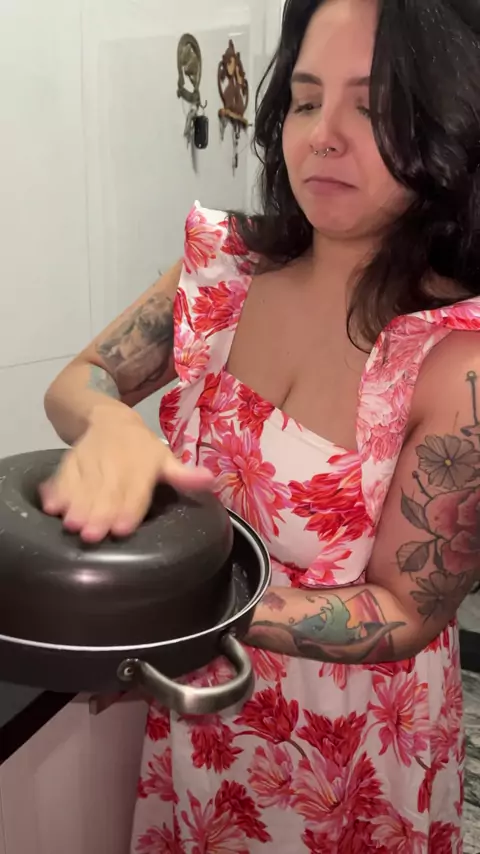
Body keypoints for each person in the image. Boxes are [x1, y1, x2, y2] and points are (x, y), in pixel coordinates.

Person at [43, 0, 480, 850]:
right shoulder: (225, 271)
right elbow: (80, 383)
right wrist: (110, 426)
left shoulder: (453, 359)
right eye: (307, 100)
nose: (324, 136)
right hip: (203, 713)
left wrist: (189, 615)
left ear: (445, 129)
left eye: (372, 108)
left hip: (347, 744)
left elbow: (408, 609)